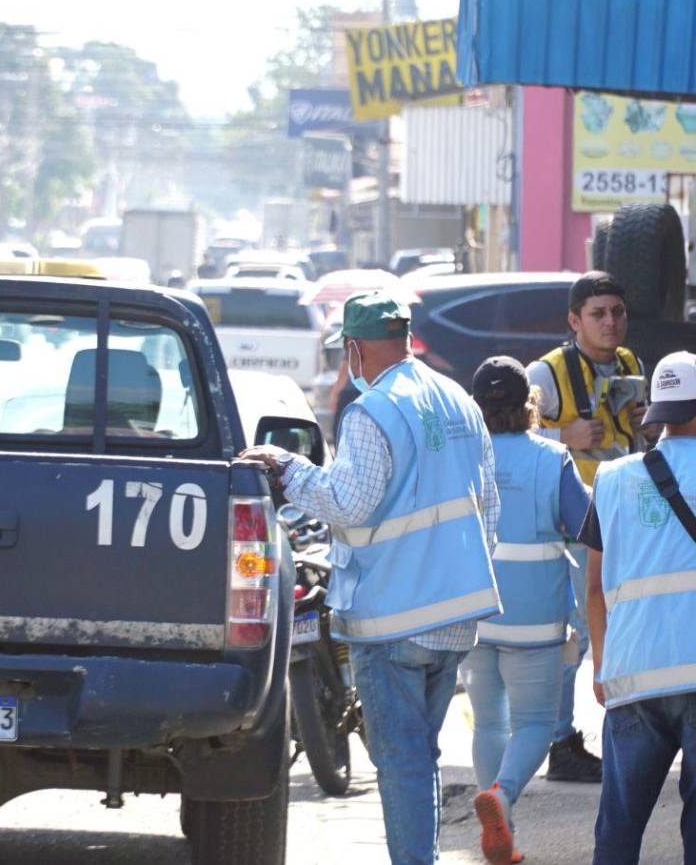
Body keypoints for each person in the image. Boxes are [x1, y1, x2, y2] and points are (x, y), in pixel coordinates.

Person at [240, 290, 501, 865]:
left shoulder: (372, 409)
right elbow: (490, 502)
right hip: (456, 616)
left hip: (394, 620)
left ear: (355, 349)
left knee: (403, 759)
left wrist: (290, 468)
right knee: (420, 755)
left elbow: (349, 502)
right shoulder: (457, 398)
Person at [526, 271, 657, 783]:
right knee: (579, 635)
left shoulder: (629, 364)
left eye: (617, 313)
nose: (610, 322)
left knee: (622, 625)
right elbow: (506, 432)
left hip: (622, 515)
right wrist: (566, 431)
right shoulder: (547, 373)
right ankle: (562, 741)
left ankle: (627, 729)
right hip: (573, 523)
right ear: (574, 320)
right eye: (598, 314)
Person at [461, 357, 591, 865]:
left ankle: (503, 835)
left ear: (476, 408)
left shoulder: (463, 459)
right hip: (535, 619)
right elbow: (584, 530)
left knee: (488, 723)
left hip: (473, 612)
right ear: (529, 405)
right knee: (535, 721)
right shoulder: (551, 458)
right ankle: (504, 796)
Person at [579, 350, 696, 864]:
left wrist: (603, 664)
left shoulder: (612, 479)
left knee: (620, 827)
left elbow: (594, 588)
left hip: (633, 674)